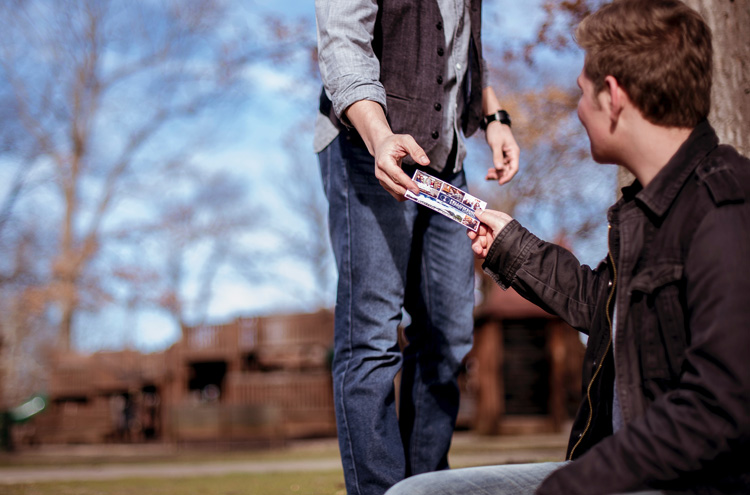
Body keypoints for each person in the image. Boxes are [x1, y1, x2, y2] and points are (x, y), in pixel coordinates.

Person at [385, 0, 750, 494]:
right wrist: (511, 246)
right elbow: (604, 306)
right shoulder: (649, 210)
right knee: (418, 493)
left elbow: (719, 405)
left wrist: (573, 486)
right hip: (615, 469)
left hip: (674, 481)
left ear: (613, 96)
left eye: (582, 92)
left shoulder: (725, 209)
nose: (578, 109)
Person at [314, 1, 520, 493]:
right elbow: (342, 40)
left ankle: (424, 487)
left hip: (444, 164)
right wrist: (380, 135)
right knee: (371, 337)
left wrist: (493, 116)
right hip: (369, 150)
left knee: (449, 337)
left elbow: (463, 49)